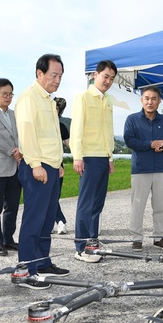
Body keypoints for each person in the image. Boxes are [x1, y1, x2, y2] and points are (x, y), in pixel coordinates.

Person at [14, 54, 70, 290]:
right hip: (37, 167)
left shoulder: (48, 100)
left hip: (51, 167)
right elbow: (27, 134)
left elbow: (52, 136)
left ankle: (42, 262)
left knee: (47, 219)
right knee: (34, 220)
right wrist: (36, 164)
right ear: (39, 73)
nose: (57, 80)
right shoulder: (29, 98)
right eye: (53, 75)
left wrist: (57, 164)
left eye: (60, 76)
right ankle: (26, 270)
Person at [69, 60, 117, 263]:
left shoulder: (108, 100)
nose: (108, 81)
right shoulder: (83, 97)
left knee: (98, 203)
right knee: (86, 204)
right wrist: (77, 156)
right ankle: (81, 247)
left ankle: (92, 241)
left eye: (112, 79)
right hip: (88, 157)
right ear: (95, 75)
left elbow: (108, 131)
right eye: (105, 76)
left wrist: (110, 157)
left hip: (103, 157)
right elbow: (76, 128)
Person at [123, 86, 163, 252]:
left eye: (153, 99)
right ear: (141, 100)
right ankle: (136, 238)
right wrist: (150, 144)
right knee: (138, 205)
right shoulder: (132, 119)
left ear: (159, 101)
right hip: (140, 169)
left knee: (160, 206)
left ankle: (158, 237)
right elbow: (129, 140)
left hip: (160, 169)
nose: (150, 102)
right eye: (147, 98)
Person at [0, 78, 22, 256]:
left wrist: (20, 150)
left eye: (10, 94)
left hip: (15, 166)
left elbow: (21, 135)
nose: (8, 97)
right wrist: (12, 150)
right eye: (4, 94)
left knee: (13, 205)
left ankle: (8, 239)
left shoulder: (14, 114)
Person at [54, 97, 70, 235]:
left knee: (54, 196)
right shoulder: (39, 124)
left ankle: (58, 222)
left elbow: (69, 144)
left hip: (58, 165)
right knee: (48, 197)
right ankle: (60, 221)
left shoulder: (61, 126)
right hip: (39, 164)